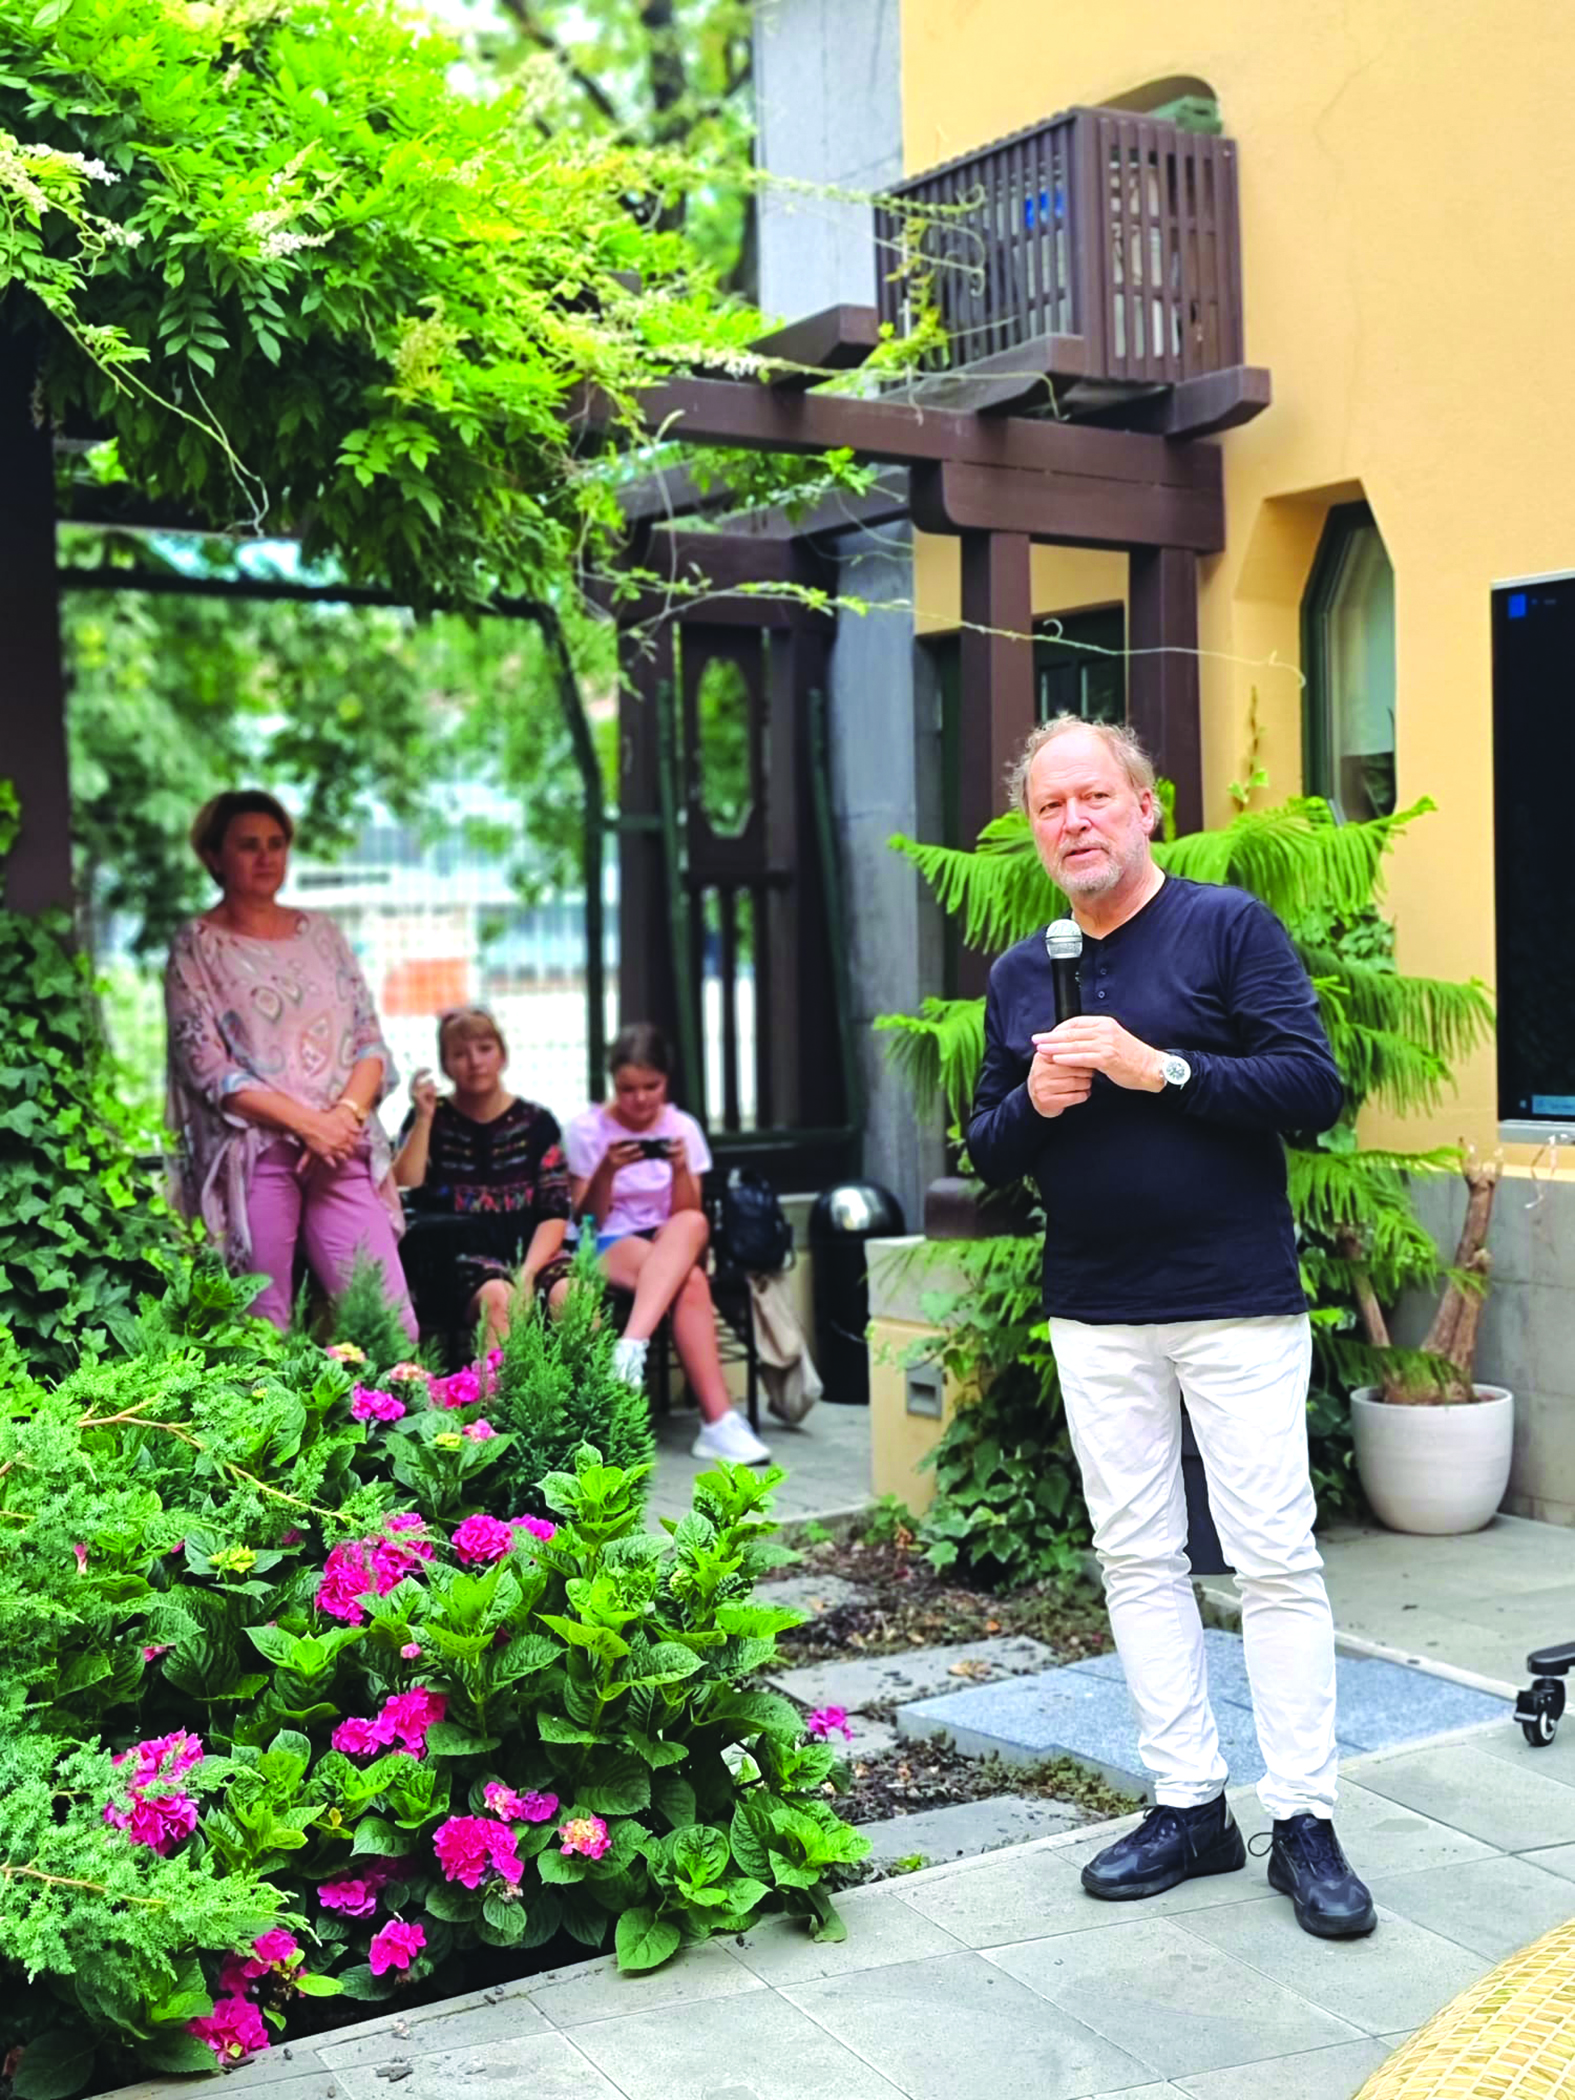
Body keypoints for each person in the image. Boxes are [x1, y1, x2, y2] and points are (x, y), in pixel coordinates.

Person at [969, 715, 1374, 1941]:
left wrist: (1165, 1069)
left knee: (1273, 1561)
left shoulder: (1226, 928)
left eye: (1094, 797)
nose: (1074, 822)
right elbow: (988, 1149)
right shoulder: (1022, 975)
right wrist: (1035, 1100)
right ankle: (1191, 1805)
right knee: (1138, 1559)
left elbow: (1311, 1088)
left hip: (1234, 1300)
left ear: (1145, 807)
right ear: (1035, 832)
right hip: (1096, 1309)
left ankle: (1303, 1820)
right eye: (1050, 807)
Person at [164, 789, 416, 1340]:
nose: (266, 857)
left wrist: (343, 1118)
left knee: (390, 1328)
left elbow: (370, 1043)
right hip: (255, 1155)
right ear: (213, 855)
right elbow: (206, 1066)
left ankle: (387, 1401)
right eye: (248, 845)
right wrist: (308, 1125)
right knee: (260, 1334)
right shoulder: (197, 945)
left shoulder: (322, 935)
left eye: (276, 843)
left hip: (341, 1148)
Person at [564, 1023, 771, 1465]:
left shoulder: (683, 1128)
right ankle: (717, 1423)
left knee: (693, 1221)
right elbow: (585, 1221)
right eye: (627, 1089)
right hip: (608, 1238)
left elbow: (687, 1212)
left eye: (651, 1086)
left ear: (667, 1081)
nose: (640, 1099)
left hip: (667, 1238)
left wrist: (678, 1169)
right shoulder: (585, 1130)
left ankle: (630, 1344)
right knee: (691, 1281)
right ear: (612, 1083)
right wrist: (606, 1171)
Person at [392, 1006, 572, 1343]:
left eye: (485, 1049)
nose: (475, 1062)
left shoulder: (538, 1123)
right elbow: (405, 1181)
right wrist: (424, 1118)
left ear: (503, 1055)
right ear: (445, 1065)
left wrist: (528, 1274)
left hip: (530, 1252)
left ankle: (589, 1379)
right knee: (500, 1299)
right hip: (456, 1257)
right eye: (460, 1054)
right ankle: (499, 1381)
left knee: (573, 1295)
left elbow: (555, 1212)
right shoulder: (430, 1118)